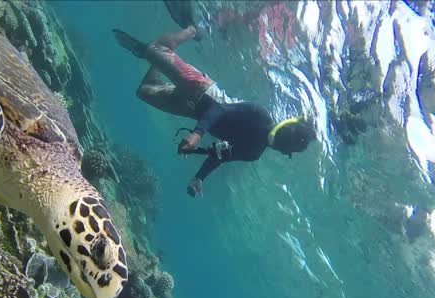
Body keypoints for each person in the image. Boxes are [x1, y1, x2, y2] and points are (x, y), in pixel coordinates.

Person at [113, 26, 315, 197]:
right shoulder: (259, 115)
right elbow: (219, 110)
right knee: (154, 49)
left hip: (192, 111)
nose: (283, 148)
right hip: (200, 88)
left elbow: (220, 155)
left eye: (288, 149)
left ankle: (157, 60)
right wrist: (197, 134)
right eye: (287, 144)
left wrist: (198, 178)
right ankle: (189, 32)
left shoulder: (253, 152)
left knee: (144, 91)